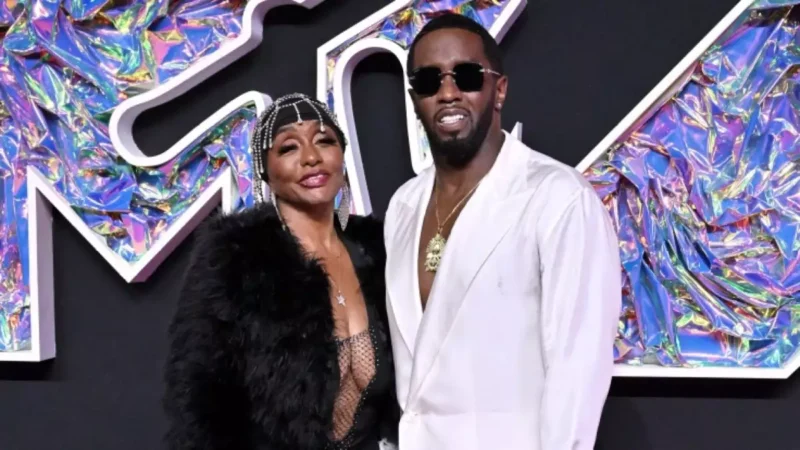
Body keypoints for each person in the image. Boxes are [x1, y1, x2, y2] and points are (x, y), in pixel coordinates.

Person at [383, 14, 622, 450]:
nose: (448, 93)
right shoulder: (403, 206)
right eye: (429, 81)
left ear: (500, 90)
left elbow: (577, 371)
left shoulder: (558, 197)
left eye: (468, 76)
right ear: (415, 98)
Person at [163, 93, 399, 450]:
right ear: (265, 171)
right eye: (289, 147)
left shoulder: (378, 252)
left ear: (342, 155)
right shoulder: (235, 261)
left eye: (325, 141)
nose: (311, 157)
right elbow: (199, 404)